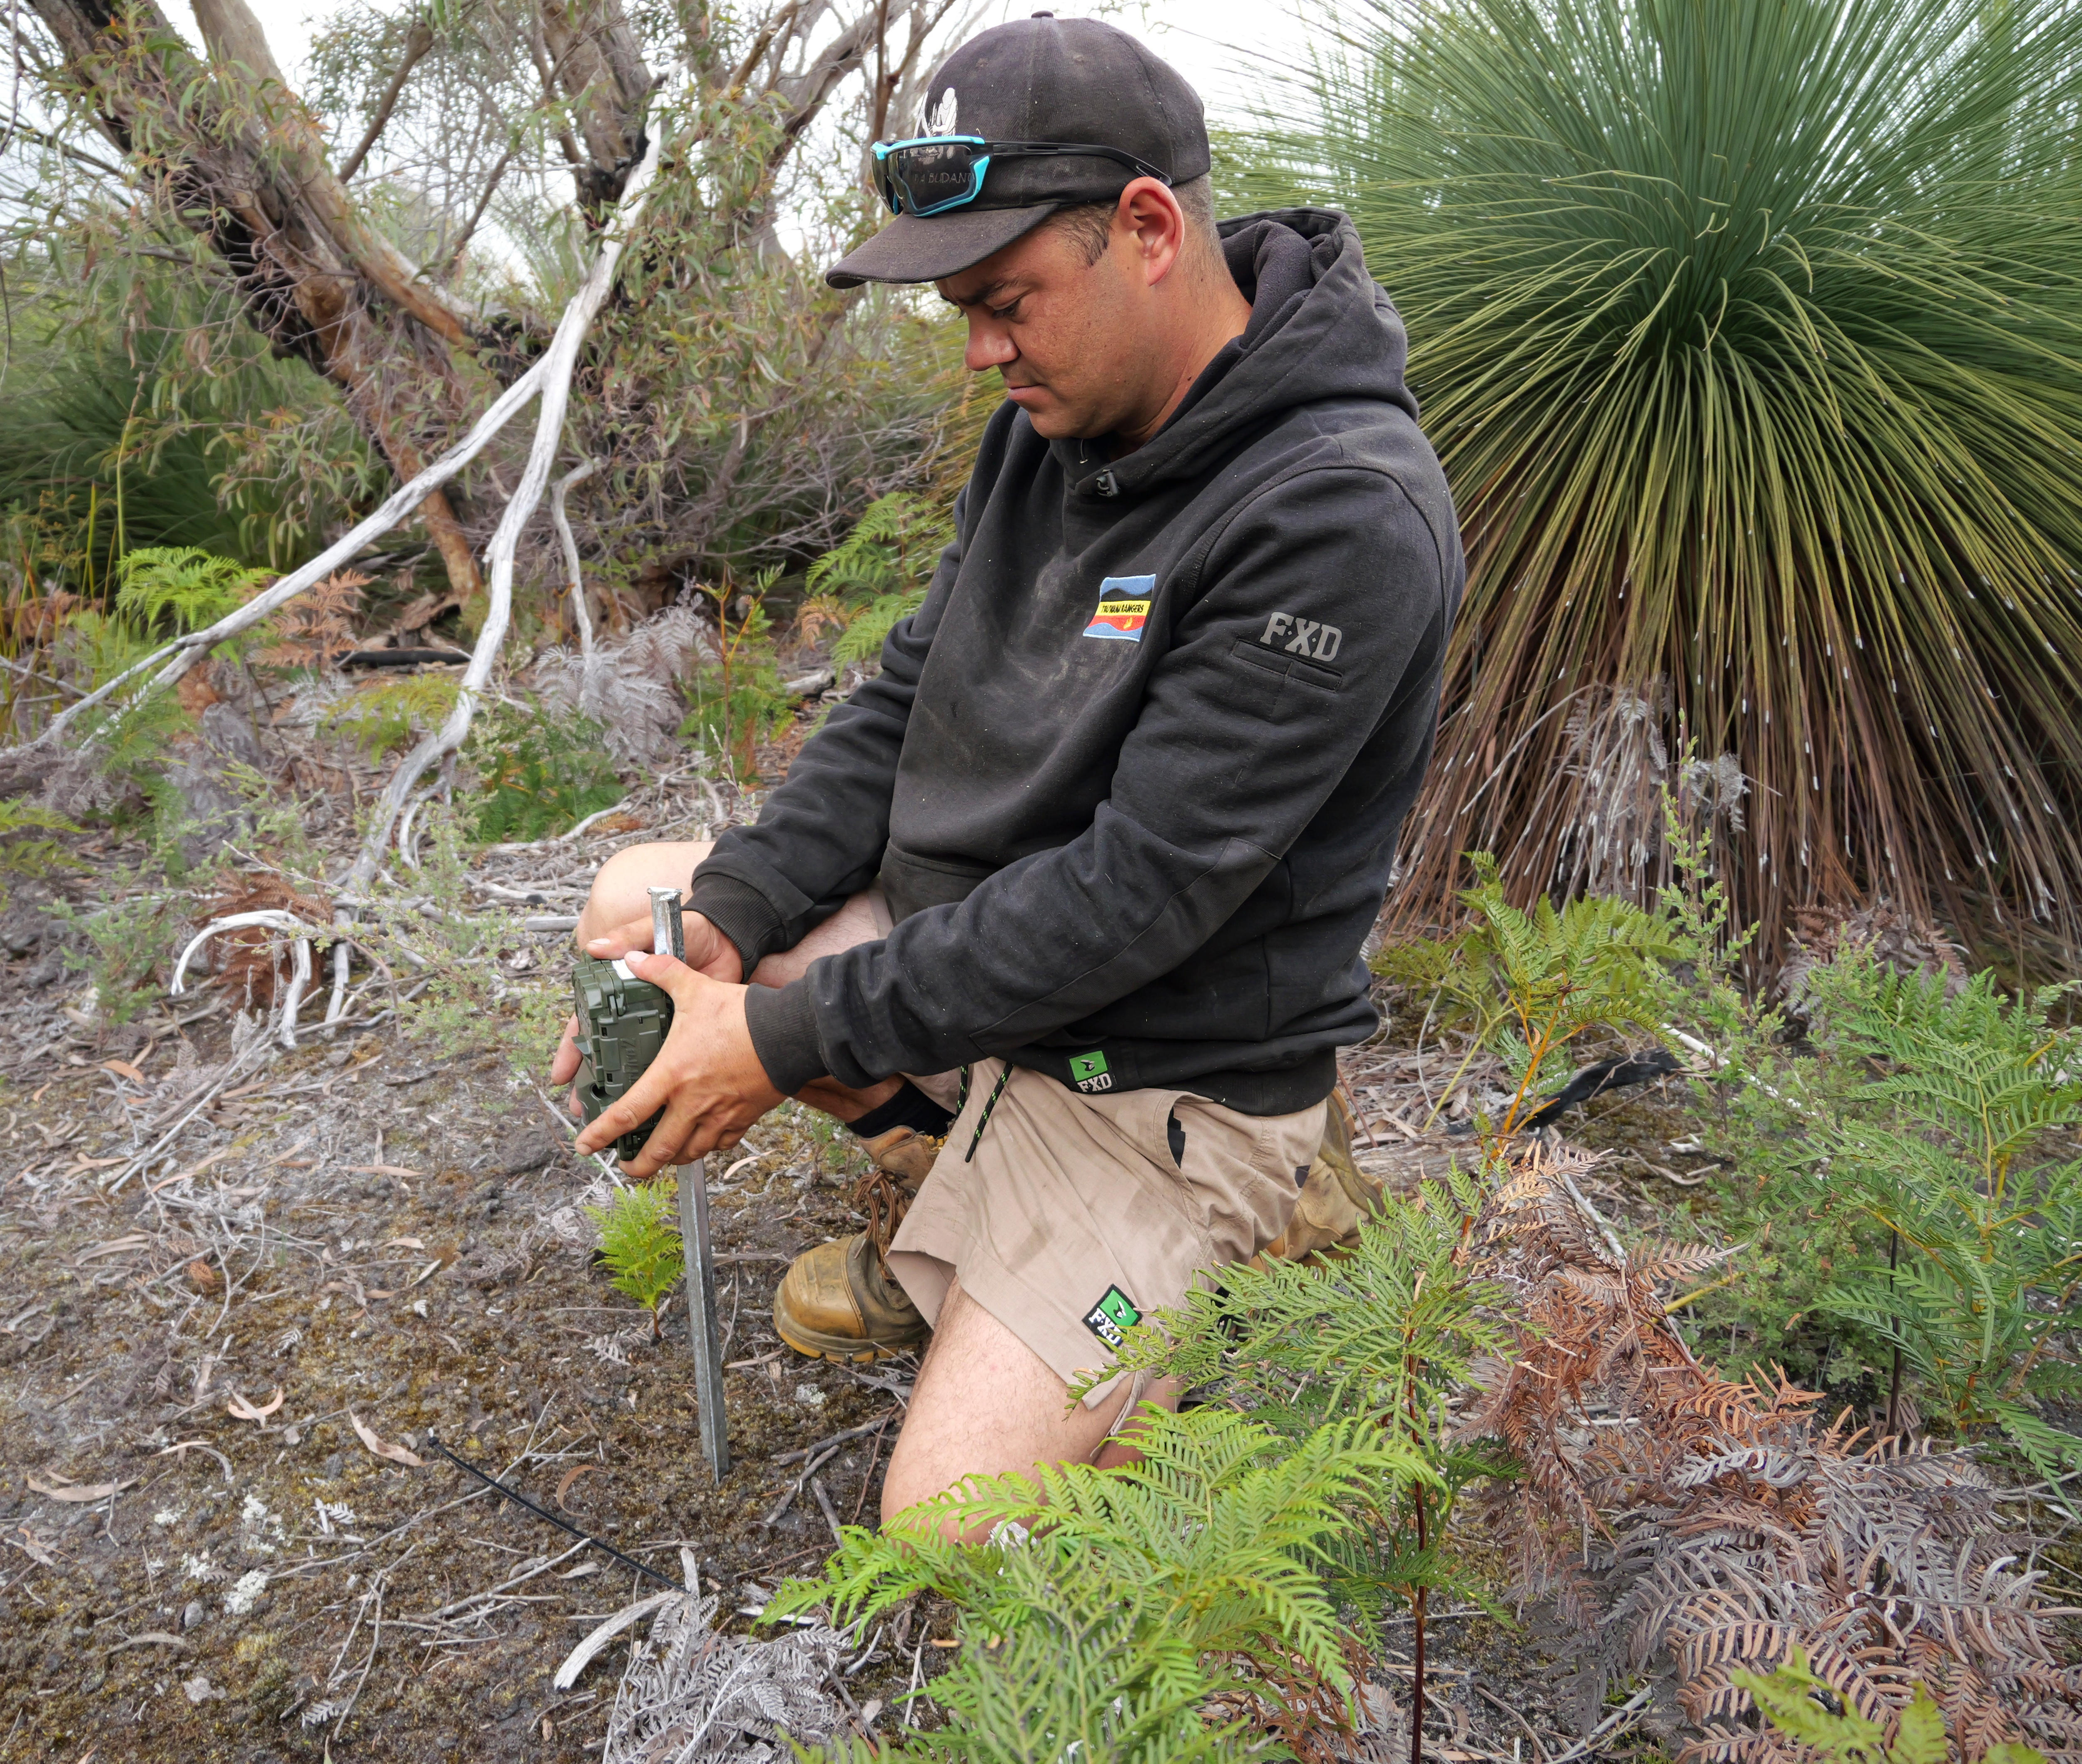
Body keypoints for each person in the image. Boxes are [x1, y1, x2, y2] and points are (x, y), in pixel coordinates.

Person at [550, 13, 1463, 1524]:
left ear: (1148, 230)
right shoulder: (1052, 427)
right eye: (961, 309)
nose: (981, 350)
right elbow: (909, 695)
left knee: (944, 1530)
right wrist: (740, 910)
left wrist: (782, 1037)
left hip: (1164, 1076)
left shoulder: (1339, 513)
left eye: (1005, 301)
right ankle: (961, 1205)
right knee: (645, 908)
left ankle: (1260, 1233)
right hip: (998, 986)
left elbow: (1135, 897)